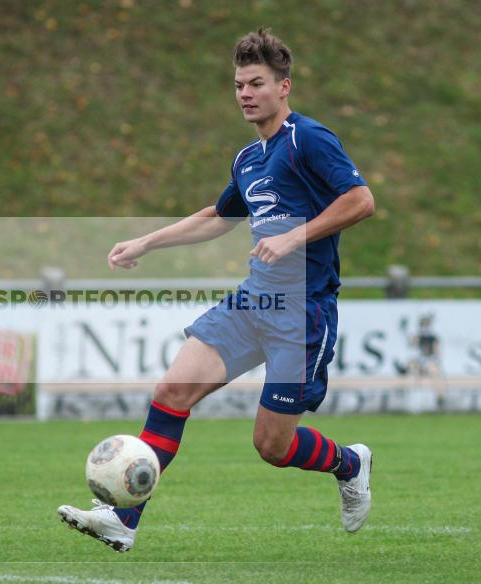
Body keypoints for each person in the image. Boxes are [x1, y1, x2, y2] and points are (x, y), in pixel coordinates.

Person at [58, 28, 376, 552]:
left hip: (302, 313)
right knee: (171, 393)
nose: (245, 94)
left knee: (271, 446)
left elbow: (360, 201)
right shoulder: (249, 158)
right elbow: (219, 217)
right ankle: (123, 519)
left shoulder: (309, 139)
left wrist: (294, 234)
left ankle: (350, 462)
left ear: (284, 87)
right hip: (254, 302)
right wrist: (147, 241)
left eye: (256, 83)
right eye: (238, 85)